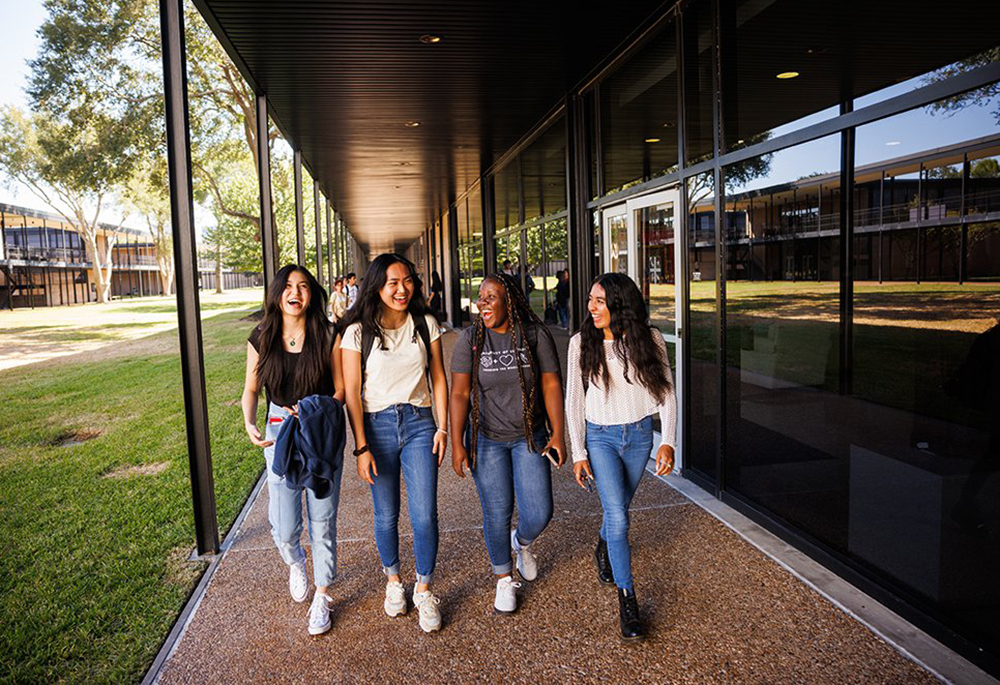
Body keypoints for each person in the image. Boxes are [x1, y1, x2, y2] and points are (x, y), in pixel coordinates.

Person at [340, 253, 450, 633]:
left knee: (424, 514)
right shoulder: (357, 332)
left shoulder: (426, 323)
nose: (402, 289)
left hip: (420, 423)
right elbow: (352, 393)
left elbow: (438, 378)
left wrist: (443, 428)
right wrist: (361, 446)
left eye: (407, 282)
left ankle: (423, 588)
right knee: (385, 514)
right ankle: (393, 582)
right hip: (377, 428)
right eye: (392, 283)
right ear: (377, 286)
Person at [565, 272, 676, 642]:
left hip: (640, 436)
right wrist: (578, 452)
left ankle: (603, 544)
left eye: (599, 301)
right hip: (601, 438)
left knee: (618, 512)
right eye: (591, 300)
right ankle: (628, 600)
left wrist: (668, 441)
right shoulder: (582, 343)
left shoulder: (650, 339)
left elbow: (667, 395)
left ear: (619, 304)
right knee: (619, 515)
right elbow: (574, 400)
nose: (591, 307)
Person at [449, 273, 565, 614]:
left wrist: (558, 432)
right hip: (486, 440)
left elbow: (551, 386)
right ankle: (503, 578)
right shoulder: (471, 339)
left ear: (510, 300)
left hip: (529, 436)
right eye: (480, 297)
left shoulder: (534, 335)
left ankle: (522, 542)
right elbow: (459, 393)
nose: (482, 303)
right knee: (496, 513)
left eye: (491, 297)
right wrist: (457, 442)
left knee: (540, 511)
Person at [241, 264, 343, 636]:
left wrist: (316, 409)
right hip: (280, 428)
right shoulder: (262, 336)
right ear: (276, 293)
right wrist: (251, 422)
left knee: (323, 518)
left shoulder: (328, 334)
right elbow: (251, 389)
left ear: (312, 293)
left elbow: (342, 390)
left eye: (302, 286)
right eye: (287, 286)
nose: (294, 292)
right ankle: (296, 560)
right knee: (284, 525)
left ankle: (322, 594)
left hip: (320, 430)